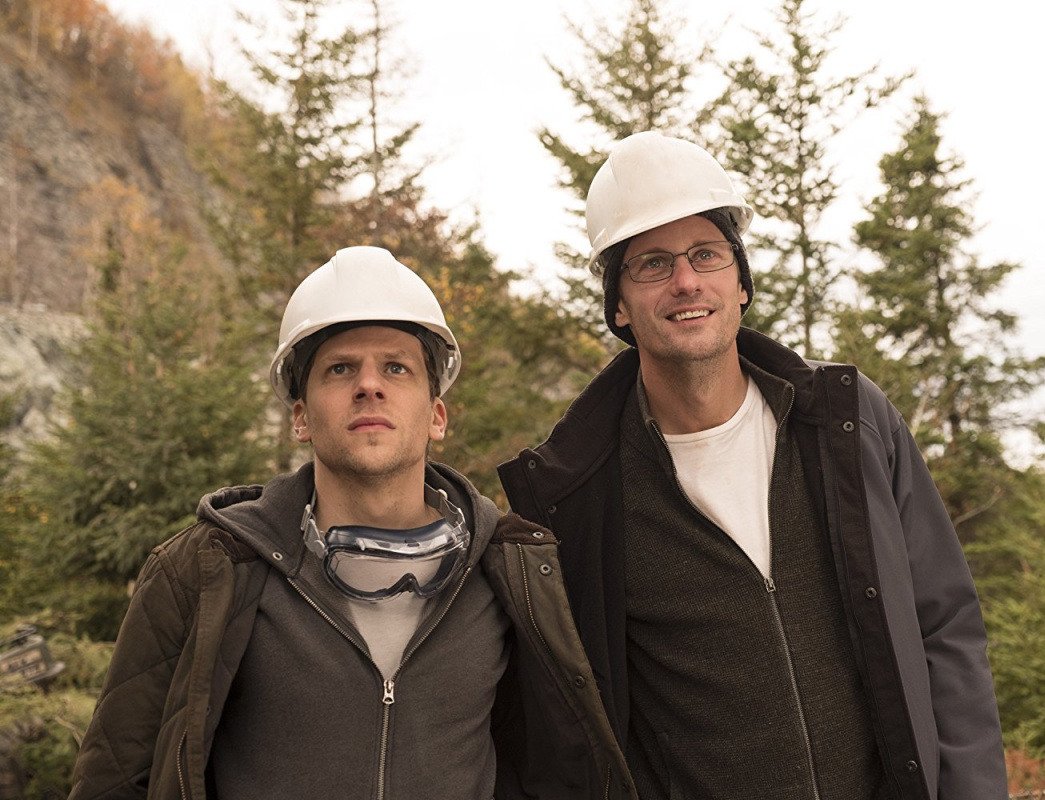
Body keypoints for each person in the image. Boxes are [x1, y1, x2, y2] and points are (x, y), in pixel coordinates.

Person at [493, 132, 1007, 799]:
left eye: (705, 254)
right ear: (618, 304)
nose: (685, 281)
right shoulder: (575, 493)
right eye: (652, 263)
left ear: (740, 282)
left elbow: (945, 626)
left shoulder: (847, 423)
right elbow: (558, 729)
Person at [68, 246, 510, 799]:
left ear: (436, 415)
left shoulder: (508, 575)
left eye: (396, 367)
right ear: (301, 417)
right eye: (340, 368)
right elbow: (113, 781)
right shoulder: (205, 572)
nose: (369, 385)